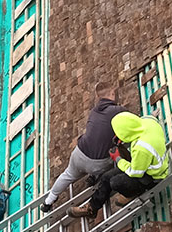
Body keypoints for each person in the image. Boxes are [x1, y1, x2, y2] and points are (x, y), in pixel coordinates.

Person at [41, 82, 125, 213]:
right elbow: (135, 124)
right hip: (97, 165)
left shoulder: (94, 112)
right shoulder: (118, 111)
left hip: (79, 153)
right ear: (112, 94)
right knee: (116, 154)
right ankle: (94, 176)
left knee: (67, 175)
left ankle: (48, 201)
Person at [76, 111, 170, 217]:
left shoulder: (141, 148)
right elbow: (150, 117)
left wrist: (118, 159)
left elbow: (135, 173)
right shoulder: (148, 121)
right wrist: (121, 138)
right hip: (146, 164)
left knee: (115, 182)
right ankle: (92, 207)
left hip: (152, 176)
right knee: (106, 177)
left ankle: (132, 194)